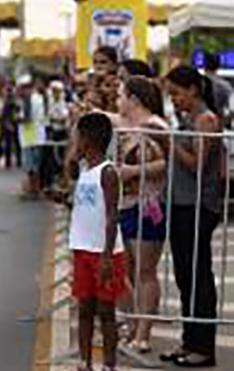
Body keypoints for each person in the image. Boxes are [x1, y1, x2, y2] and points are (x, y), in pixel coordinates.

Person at [161, 65, 224, 368]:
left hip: (199, 206)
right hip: (181, 205)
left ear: (193, 89)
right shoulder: (187, 120)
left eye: (175, 93)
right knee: (185, 276)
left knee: (199, 277)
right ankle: (189, 342)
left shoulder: (206, 121)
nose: (172, 99)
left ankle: (204, 347)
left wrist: (170, 142)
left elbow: (197, 165)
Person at [113, 77, 169, 353]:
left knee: (145, 272)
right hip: (126, 205)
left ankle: (143, 334)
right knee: (126, 270)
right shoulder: (128, 126)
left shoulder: (155, 126)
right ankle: (134, 324)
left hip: (149, 205)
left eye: (121, 94)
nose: (117, 99)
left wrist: (133, 171)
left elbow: (166, 163)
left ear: (134, 99)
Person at [69, 112, 126, 371]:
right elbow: (85, 205)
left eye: (77, 137)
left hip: (104, 253)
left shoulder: (108, 173)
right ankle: (85, 361)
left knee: (106, 312)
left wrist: (106, 255)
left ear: (88, 140)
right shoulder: (84, 170)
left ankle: (110, 364)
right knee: (84, 309)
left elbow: (112, 215)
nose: (74, 142)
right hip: (82, 249)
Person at [203, 51, 232, 127]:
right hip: (220, 126)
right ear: (219, 65)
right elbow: (230, 109)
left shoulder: (196, 84)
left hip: (198, 126)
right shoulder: (226, 86)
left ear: (204, 64)